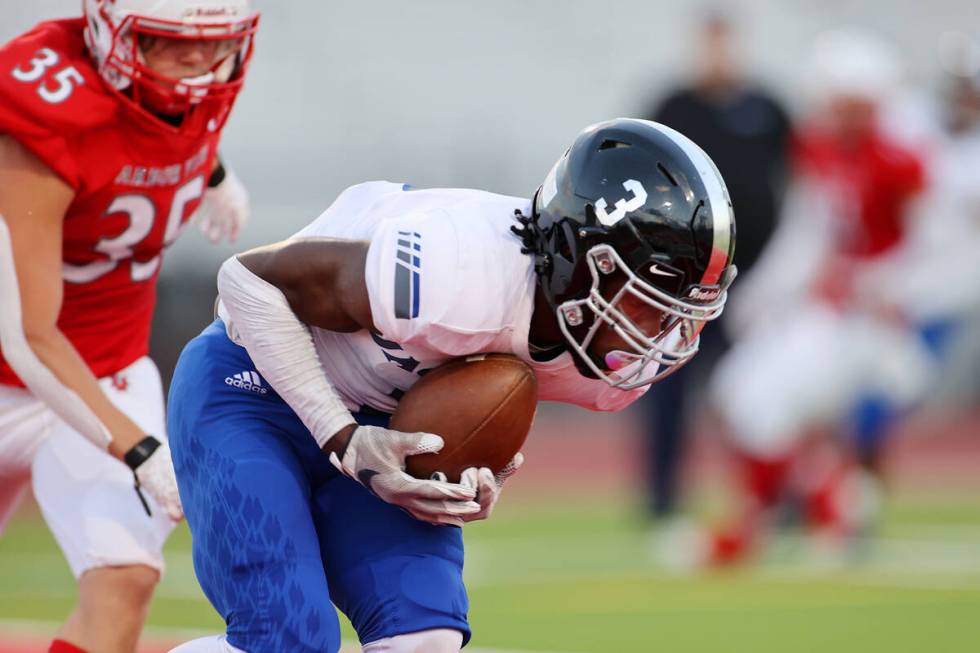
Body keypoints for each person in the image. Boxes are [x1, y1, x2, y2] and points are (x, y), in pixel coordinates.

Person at [165, 118, 737, 653]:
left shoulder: (607, 365)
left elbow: (481, 399)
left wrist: (479, 468)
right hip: (253, 389)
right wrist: (339, 435)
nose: (662, 333)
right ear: (583, 263)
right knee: (289, 636)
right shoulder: (451, 270)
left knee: (426, 638)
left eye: (679, 310)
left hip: (383, 428)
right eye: (649, 301)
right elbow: (244, 282)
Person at [0, 2, 258, 652]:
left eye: (216, 45)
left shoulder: (185, 86)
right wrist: (138, 448)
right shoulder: (44, 116)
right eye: (170, 44)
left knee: (125, 579)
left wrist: (215, 172)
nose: (198, 69)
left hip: (106, 364)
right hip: (20, 361)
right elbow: (29, 334)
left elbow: (168, 118)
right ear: (112, 35)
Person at [706, 28, 931, 564]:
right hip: (828, 310)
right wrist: (761, 294)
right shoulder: (823, 148)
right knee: (739, 393)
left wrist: (895, 286)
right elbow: (809, 235)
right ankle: (827, 506)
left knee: (764, 403)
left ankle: (784, 518)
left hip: (874, 323)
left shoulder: (902, 159)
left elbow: (938, 243)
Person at [639, 12, 790, 531]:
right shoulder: (673, 106)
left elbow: (797, 181)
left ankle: (765, 489)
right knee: (665, 382)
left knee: (757, 389)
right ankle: (661, 495)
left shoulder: (767, 108)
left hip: (753, 280)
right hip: (686, 280)